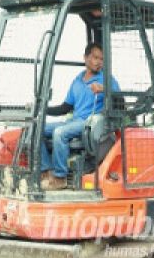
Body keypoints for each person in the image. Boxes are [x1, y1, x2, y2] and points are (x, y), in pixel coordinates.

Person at [40, 42, 119, 190]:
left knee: (60, 133)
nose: (99, 62)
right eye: (96, 58)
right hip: (74, 121)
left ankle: (60, 177)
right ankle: (46, 171)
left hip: (90, 123)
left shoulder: (107, 80)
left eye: (101, 59)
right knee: (38, 130)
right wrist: (43, 109)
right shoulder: (77, 81)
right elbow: (65, 107)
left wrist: (104, 89)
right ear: (86, 58)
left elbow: (120, 100)